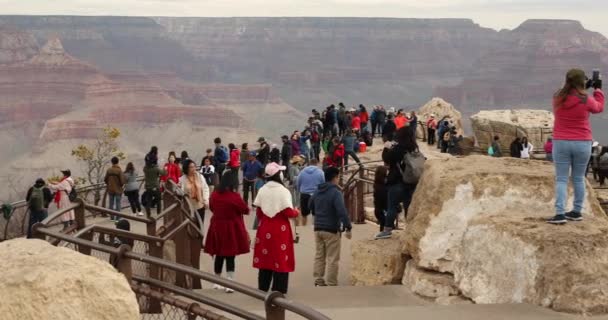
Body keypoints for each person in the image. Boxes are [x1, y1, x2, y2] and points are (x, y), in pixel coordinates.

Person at [547, 68, 604, 224]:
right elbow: (599, 108)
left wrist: (583, 86)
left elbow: (569, 93)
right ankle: (576, 211)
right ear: (582, 81)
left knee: (561, 179)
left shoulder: (558, 97)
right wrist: (597, 89)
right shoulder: (586, 99)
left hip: (561, 142)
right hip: (583, 142)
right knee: (578, 178)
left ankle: (559, 214)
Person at [252, 162, 298, 294]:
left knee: (266, 257)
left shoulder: (262, 189)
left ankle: (263, 287)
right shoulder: (283, 191)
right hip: (280, 229)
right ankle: (279, 288)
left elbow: (259, 213)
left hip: (265, 227)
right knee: (281, 257)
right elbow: (288, 213)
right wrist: (296, 212)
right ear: (279, 175)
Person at [205, 174, 250, 293]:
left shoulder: (214, 195)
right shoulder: (234, 196)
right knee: (230, 254)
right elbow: (245, 210)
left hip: (216, 225)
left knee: (219, 253)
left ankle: (216, 280)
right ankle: (229, 282)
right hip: (231, 227)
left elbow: (212, 207)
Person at [309, 166, 352, 287]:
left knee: (319, 255)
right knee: (332, 257)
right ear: (335, 178)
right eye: (338, 177)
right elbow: (342, 211)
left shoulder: (317, 191)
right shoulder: (336, 193)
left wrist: (317, 212)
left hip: (318, 228)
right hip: (331, 229)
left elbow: (309, 204)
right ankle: (331, 282)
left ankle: (318, 279)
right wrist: (348, 226)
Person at [375, 127, 419, 239]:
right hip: (411, 182)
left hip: (397, 182)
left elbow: (387, 159)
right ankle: (409, 228)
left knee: (392, 207)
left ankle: (387, 230)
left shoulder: (398, 148)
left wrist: (386, 148)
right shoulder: (414, 148)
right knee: (408, 206)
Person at [180, 159, 210, 228]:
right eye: (191, 167)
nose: (194, 168)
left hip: (200, 205)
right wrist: (178, 188)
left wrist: (206, 200)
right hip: (188, 207)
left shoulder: (200, 177)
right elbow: (180, 192)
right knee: (190, 227)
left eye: (194, 166)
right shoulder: (182, 179)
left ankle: (200, 238)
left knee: (200, 226)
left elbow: (205, 188)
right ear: (186, 168)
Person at [296, 158, 325, 227]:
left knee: (304, 214)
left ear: (309, 163)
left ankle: (304, 226)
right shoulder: (320, 172)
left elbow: (298, 182)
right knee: (316, 214)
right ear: (317, 163)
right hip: (316, 194)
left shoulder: (302, 172)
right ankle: (315, 228)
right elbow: (323, 183)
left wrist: (299, 190)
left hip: (304, 194)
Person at [143, 147, 166, 215]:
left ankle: (148, 215)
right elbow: (164, 173)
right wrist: (165, 169)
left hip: (148, 187)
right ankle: (158, 214)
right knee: (158, 201)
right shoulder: (156, 169)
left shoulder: (145, 168)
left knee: (148, 201)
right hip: (156, 187)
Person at [104, 156, 126, 221]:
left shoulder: (109, 170)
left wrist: (109, 184)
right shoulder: (119, 170)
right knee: (118, 203)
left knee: (111, 203)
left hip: (110, 189)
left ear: (112, 162)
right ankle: (118, 218)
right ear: (117, 162)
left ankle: (112, 217)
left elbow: (105, 179)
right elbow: (122, 181)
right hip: (118, 190)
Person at [373, 166, 388, 232]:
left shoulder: (377, 185)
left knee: (382, 226)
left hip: (378, 210)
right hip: (383, 211)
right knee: (385, 226)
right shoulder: (383, 188)